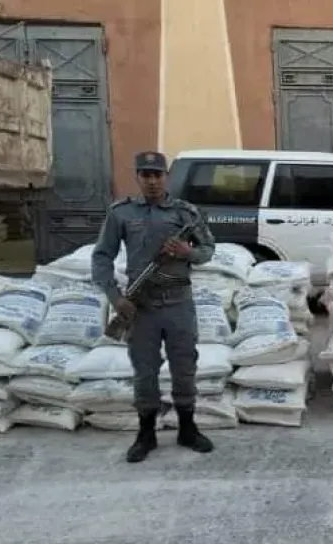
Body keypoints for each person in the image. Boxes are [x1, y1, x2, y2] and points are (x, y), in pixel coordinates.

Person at [91, 151, 216, 463]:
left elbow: (208, 249)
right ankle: (146, 433)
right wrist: (115, 297)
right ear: (137, 177)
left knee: (184, 367)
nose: (152, 181)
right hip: (140, 306)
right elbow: (102, 257)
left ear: (166, 177)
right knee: (144, 371)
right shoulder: (121, 213)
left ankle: (187, 428)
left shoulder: (186, 213)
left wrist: (187, 252)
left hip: (178, 304)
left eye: (157, 175)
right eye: (145, 175)